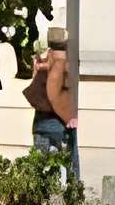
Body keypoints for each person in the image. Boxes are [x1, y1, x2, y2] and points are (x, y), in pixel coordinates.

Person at [26, 29, 78, 172]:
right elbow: (54, 95)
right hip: (57, 122)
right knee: (65, 170)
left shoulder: (46, 59)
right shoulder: (63, 61)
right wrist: (68, 117)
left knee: (41, 170)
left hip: (41, 122)